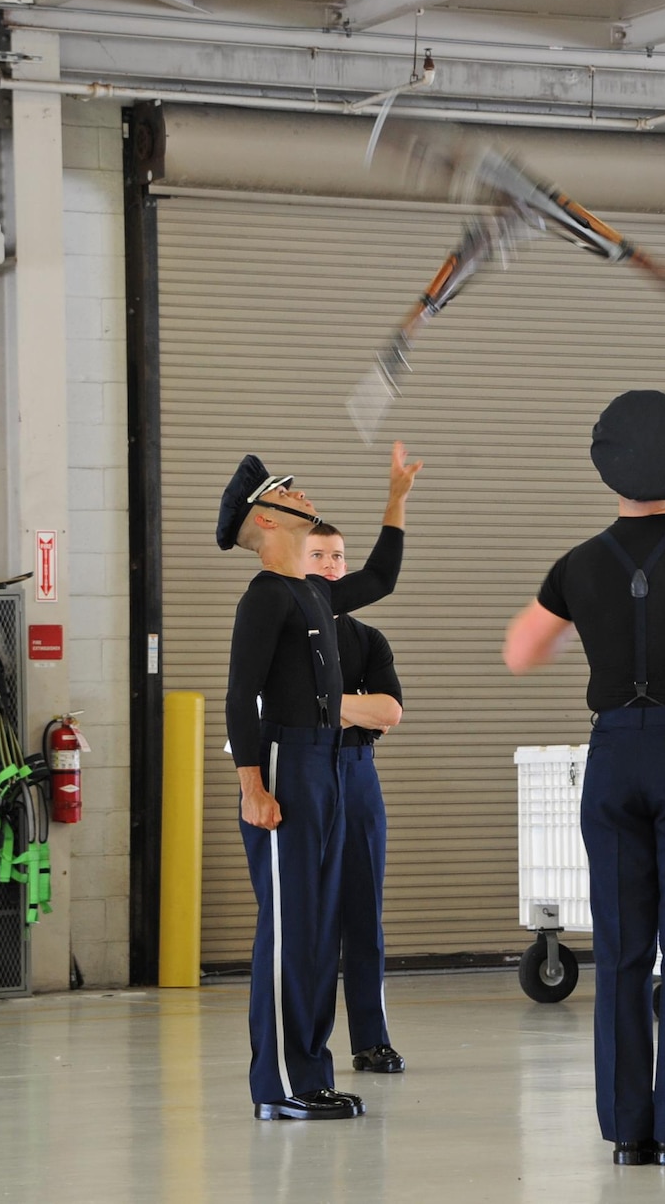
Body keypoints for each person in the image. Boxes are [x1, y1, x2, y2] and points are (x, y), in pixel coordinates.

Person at [503, 390, 665, 1167]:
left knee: (619, 947)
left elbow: (520, 650)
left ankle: (628, 1131)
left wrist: (592, 625)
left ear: (607, 465)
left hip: (611, 758)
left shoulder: (578, 563)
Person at [220, 444, 422, 1122]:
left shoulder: (311, 591)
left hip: (328, 763)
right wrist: (252, 785)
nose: (303, 497)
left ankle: (310, 1073)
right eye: (289, 494)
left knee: (315, 930)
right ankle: (279, 1085)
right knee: (290, 928)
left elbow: (383, 576)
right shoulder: (264, 597)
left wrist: (395, 497)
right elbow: (239, 695)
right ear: (267, 520)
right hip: (285, 764)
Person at [305, 522, 408, 1076]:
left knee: (364, 915)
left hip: (358, 773)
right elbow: (267, 711)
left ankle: (372, 1038)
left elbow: (389, 713)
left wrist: (318, 702)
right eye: (317, 553)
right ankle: (309, 1044)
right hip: (304, 774)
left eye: (338, 556)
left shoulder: (368, 640)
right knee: (312, 920)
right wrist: (353, 703)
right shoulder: (284, 629)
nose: (329, 564)